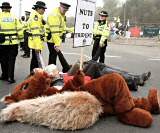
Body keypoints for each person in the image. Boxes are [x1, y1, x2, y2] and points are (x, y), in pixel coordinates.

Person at [2, 64, 160, 128]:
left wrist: (73, 75)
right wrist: (40, 77)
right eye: (49, 69)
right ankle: (127, 112)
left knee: (97, 65)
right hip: (80, 91)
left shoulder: (60, 74)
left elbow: (69, 76)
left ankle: (148, 103)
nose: (52, 69)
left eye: (53, 68)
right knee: (114, 80)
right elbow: (58, 95)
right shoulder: (45, 86)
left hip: (79, 81)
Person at [0, 2, 23, 83]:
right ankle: (10, 77)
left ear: (2, 8)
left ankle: (4, 75)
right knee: (11, 60)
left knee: (3, 59)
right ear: (9, 9)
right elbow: (20, 30)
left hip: (2, 43)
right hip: (13, 42)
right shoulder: (14, 17)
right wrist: (21, 40)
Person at [45, 1, 71, 72]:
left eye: (66, 10)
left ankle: (51, 71)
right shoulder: (55, 15)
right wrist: (57, 44)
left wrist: (73, 30)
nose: (65, 11)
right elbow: (55, 31)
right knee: (53, 57)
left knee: (54, 56)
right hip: (52, 39)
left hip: (55, 39)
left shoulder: (61, 15)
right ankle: (51, 72)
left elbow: (63, 28)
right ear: (60, 7)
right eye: (64, 9)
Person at [27, 1, 46, 72]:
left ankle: (33, 75)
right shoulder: (36, 17)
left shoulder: (38, 16)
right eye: (43, 9)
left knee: (35, 60)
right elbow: (36, 33)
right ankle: (32, 76)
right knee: (35, 61)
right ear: (38, 8)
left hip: (36, 42)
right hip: (36, 43)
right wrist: (37, 46)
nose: (44, 10)